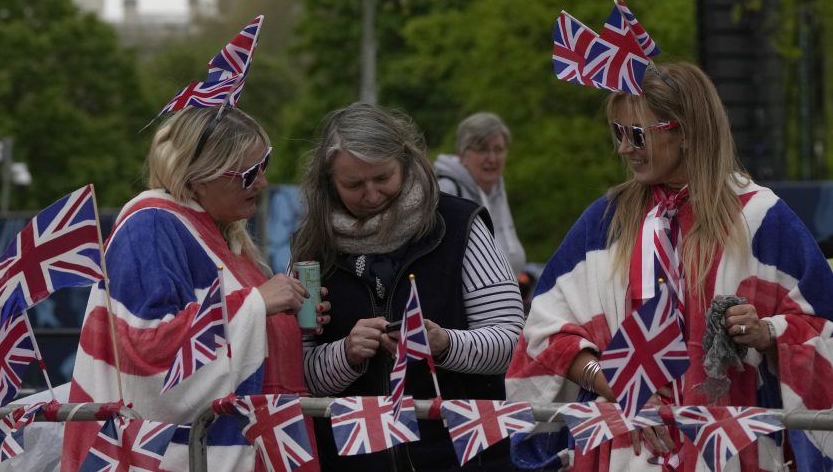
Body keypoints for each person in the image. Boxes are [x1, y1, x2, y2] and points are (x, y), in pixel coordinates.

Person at [507, 62, 833, 471]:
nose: (624, 148)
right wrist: (613, 381)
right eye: (618, 133)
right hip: (626, 455)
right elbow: (543, 334)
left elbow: (823, 326)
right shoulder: (604, 223)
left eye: (637, 134)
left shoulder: (761, 217)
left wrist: (767, 333)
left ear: (686, 132)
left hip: (732, 454)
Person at [61, 106, 323, 472]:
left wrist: (293, 321)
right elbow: (148, 358)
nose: (262, 181)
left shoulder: (219, 234)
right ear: (199, 178)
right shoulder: (151, 227)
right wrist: (255, 304)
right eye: (249, 173)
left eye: (265, 163)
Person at [294, 103, 525, 471]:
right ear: (329, 184)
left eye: (383, 178)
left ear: (406, 163)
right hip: (353, 461)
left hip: (462, 458)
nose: (371, 195)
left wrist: (444, 343)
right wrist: (348, 354)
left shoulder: (459, 224)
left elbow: (513, 345)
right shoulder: (311, 251)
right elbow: (298, 374)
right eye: (353, 185)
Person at [434, 112, 527, 279]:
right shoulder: (447, 190)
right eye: (482, 149)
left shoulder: (497, 190)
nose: (492, 159)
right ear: (462, 154)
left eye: (498, 149)